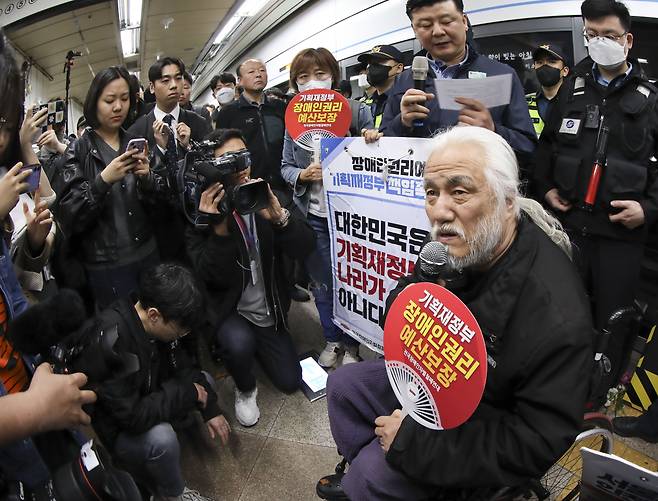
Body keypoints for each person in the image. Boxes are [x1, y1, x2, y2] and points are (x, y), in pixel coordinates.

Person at [316, 126, 593, 501]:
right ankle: (367, 473)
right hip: (432, 383)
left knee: (371, 473)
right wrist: (415, 299)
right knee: (344, 387)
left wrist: (412, 446)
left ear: (507, 201)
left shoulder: (556, 316)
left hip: (486, 420)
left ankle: (370, 481)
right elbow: (400, 307)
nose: (440, 210)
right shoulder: (454, 246)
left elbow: (533, 442)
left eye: (459, 192)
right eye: (431, 192)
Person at [533, 0, 658, 385]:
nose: (599, 41)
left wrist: (649, 209)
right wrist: (547, 189)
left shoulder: (652, 101)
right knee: (562, 310)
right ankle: (561, 385)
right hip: (569, 228)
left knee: (612, 319)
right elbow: (547, 149)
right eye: (592, 34)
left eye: (609, 35)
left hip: (620, 235)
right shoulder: (571, 90)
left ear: (628, 40)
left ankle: (600, 390)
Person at [186, 129, 315, 427]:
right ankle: (245, 387)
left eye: (243, 156)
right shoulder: (201, 212)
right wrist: (217, 227)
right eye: (228, 161)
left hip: (268, 309)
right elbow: (209, 277)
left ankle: (260, 343)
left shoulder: (268, 195)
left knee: (289, 380)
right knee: (239, 344)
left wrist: (280, 218)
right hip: (231, 309)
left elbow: (304, 247)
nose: (240, 166)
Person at [90, 263, 225, 501]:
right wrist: (186, 393)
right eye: (179, 331)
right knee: (162, 438)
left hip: (153, 395)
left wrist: (210, 408)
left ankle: (177, 433)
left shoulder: (159, 319)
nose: (181, 336)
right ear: (154, 315)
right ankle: (173, 494)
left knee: (206, 383)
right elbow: (133, 418)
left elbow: (183, 365)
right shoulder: (113, 342)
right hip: (124, 431)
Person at [280, 47, 374, 368]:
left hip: (348, 217)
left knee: (351, 282)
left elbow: (376, 159)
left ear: (334, 77)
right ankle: (332, 339)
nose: (312, 83)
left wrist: (367, 141)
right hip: (314, 217)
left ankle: (352, 346)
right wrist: (302, 175)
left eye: (320, 75)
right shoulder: (293, 119)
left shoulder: (355, 110)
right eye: (303, 77)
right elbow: (285, 166)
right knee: (321, 282)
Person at [55, 66, 167, 308]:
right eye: (109, 100)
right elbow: (69, 214)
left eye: (124, 99)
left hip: (147, 253)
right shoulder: (79, 150)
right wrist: (102, 180)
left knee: (156, 321)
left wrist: (147, 178)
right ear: (95, 102)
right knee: (120, 333)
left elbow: (162, 197)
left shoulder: (137, 142)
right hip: (106, 265)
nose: (118, 107)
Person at [380, 0, 536, 159]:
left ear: (464, 21)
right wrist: (402, 123)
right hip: (420, 181)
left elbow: (528, 147)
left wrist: (494, 130)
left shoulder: (502, 75)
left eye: (446, 21)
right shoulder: (403, 80)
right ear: (415, 30)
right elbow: (382, 144)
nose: (438, 32)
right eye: (426, 25)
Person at [127, 57, 211, 262]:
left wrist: (189, 147)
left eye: (178, 78)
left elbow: (212, 168)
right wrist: (161, 151)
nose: (174, 85)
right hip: (158, 226)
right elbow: (136, 185)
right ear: (152, 87)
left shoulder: (198, 123)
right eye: (165, 80)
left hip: (198, 220)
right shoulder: (136, 132)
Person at [214, 59, 287, 189]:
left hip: (284, 182)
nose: (258, 74)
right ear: (240, 81)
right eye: (251, 72)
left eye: (262, 70)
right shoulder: (229, 113)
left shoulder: (280, 107)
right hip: (249, 185)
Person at [526, 44, 570, 137]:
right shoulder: (524, 102)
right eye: (540, 62)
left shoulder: (576, 101)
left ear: (565, 71)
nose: (545, 66)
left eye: (552, 62)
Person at [357, 44, 405, 130]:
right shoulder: (365, 103)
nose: (372, 67)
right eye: (370, 63)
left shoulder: (405, 100)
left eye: (380, 61)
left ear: (399, 68)